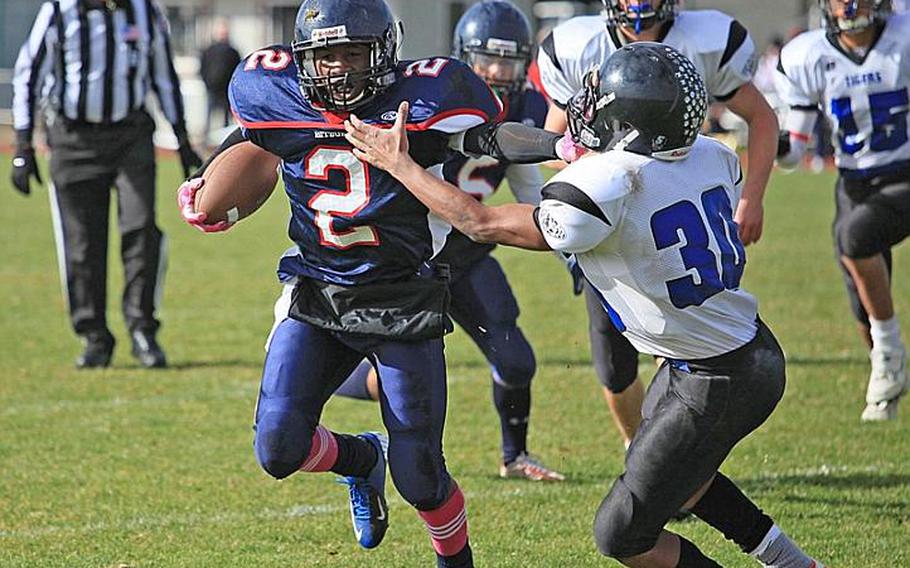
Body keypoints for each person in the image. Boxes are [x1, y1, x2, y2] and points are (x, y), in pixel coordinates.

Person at [345, 41, 824, 568]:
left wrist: (403, 166)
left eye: (605, 100)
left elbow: (480, 222)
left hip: (715, 376)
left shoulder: (606, 184)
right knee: (687, 482)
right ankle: (792, 563)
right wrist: (566, 147)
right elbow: (627, 174)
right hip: (743, 348)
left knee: (622, 534)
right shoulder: (712, 155)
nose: (591, 105)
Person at [176, 0, 577, 564]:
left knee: (421, 476)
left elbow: (490, 139)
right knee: (277, 448)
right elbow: (251, 134)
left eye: (351, 54)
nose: (338, 69)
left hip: (404, 299)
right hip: (319, 291)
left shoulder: (425, 99)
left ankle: (455, 560)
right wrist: (205, 181)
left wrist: (558, 144)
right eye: (325, 56)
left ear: (383, 53)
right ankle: (361, 459)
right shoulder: (278, 92)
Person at [333, 0, 565, 483]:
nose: (499, 71)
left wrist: (571, 246)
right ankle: (294, 382)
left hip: (469, 253)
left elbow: (528, 189)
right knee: (372, 375)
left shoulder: (523, 105)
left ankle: (514, 455)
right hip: (412, 254)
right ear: (464, 56)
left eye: (510, 60)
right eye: (488, 59)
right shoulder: (434, 97)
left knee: (517, 360)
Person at [536, 0, 780, 448]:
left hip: (678, 206)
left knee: (684, 335)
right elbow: (556, 143)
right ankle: (642, 452)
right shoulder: (576, 44)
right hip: (615, 214)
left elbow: (761, 116)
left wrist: (753, 197)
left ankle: (672, 459)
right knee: (613, 357)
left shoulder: (706, 39)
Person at [10, 0, 202, 369]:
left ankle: (143, 328)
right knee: (81, 243)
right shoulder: (58, 10)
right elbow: (27, 73)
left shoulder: (143, 10)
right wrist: (22, 145)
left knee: (141, 229)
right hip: (73, 138)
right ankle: (93, 335)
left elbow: (163, 74)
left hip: (130, 135)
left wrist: (181, 139)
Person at [776, 0, 909, 421]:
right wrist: (772, 141)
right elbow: (795, 149)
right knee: (859, 299)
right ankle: (888, 370)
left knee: (857, 237)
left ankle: (889, 354)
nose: (849, 4)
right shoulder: (808, 55)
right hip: (854, 181)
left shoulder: (903, 39)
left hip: (905, 170)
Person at [199, 18, 241, 140]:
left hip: (226, 90)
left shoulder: (232, 51)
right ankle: (205, 141)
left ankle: (225, 141)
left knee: (226, 119)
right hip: (211, 88)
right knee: (208, 117)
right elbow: (203, 67)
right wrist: (207, 82)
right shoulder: (208, 50)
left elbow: (237, 70)